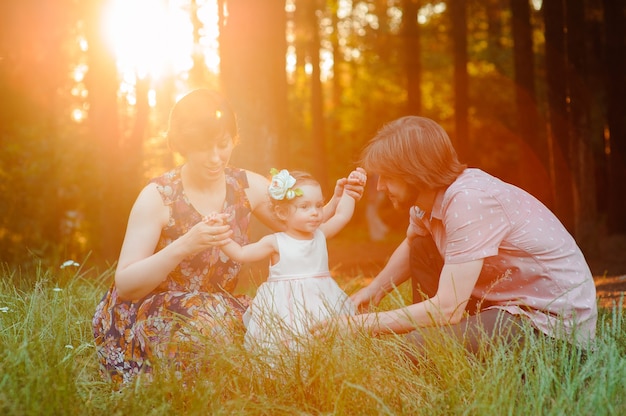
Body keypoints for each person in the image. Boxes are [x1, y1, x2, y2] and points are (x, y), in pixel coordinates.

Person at [91, 89, 366, 386]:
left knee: (282, 329)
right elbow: (128, 285)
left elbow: (302, 228)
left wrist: (339, 200)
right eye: (202, 148)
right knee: (206, 333)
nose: (214, 158)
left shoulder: (246, 185)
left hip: (218, 305)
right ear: (182, 146)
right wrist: (186, 244)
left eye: (222, 145)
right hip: (152, 306)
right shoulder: (159, 197)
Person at [325, 115, 597, 356]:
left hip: (547, 323)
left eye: (387, 177)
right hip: (502, 305)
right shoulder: (425, 203)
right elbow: (412, 246)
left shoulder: (469, 200)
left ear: (414, 172)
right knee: (421, 244)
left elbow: (448, 307)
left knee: (413, 348)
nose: (381, 187)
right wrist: (374, 291)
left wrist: (360, 326)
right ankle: (430, 338)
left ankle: (426, 343)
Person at [212, 168, 366, 352]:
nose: (316, 212)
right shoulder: (276, 242)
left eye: (318, 205)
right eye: (305, 207)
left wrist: (350, 190)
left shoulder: (320, 234)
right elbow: (242, 253)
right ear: (283, 213)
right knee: (288, 344)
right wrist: (219, 235)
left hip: (322, 300)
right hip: (286, 308)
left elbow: (342, 215)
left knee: (325, 339)